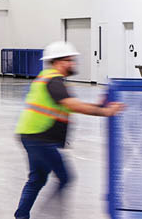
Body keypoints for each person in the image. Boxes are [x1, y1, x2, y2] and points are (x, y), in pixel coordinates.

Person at [13, 41, 122, 219]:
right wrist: (105, 112)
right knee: (65, 177)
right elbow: (73, 105)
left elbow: (69, 106)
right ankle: (46, 215)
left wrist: (99, 105)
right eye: (69, 60)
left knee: (37, 179)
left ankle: (21, 216)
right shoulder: (53, 81)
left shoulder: (48, 79)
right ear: (58, 62)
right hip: (41, 139)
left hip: (32, 135)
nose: (73, 64)